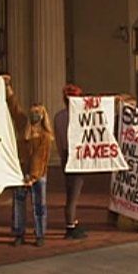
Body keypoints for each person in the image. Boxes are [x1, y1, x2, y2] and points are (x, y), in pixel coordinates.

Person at [5, 77, 53, 247]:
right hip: (21, 172)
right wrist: (8, 87)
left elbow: (40, 158)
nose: (34, 115)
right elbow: (15, 108)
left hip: (38, 175)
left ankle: (40, 234)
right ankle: (19, 233)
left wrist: (32, 176)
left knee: (39, 205)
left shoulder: (46, 136)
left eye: (38, 113)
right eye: (33, 112)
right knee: (18, 205)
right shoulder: (24, 126)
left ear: (42, 115)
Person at [53, 83, 87, 239]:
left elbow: (59, 142)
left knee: (70, 191)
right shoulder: (81, 116)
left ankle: (73, 222)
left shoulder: (59, 117)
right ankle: (70, 226)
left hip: (66, 155)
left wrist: (62, 157)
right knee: (73, 194)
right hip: (76, 155)